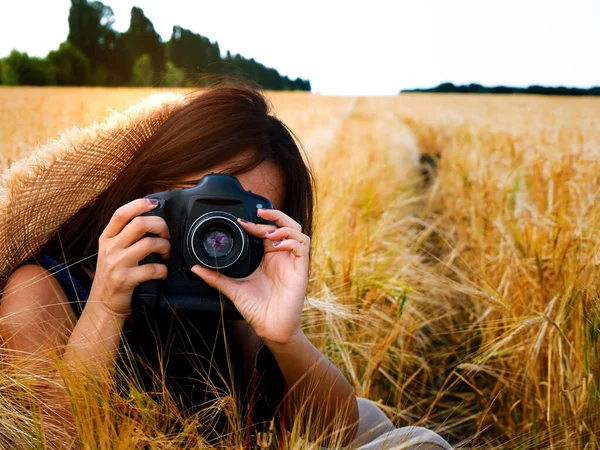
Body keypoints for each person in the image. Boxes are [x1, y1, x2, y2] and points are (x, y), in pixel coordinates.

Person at [0, 83, 453, 449]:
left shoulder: (237, 285)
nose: (216, 237)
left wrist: (286, 340)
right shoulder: (41, 291)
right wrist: (104, 309)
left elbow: (332, 434)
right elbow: (52, 438)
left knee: (382, 423)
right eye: (197, 204)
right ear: (148, 190)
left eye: (245, 218)